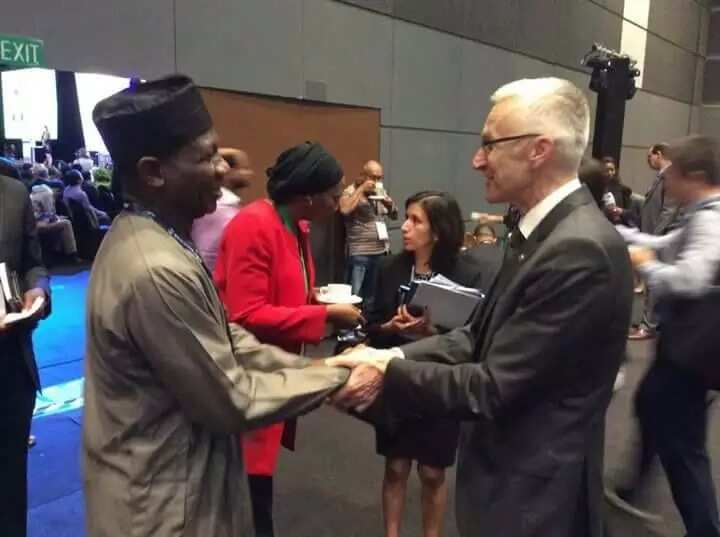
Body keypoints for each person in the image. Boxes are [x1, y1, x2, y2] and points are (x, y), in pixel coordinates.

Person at [330, 77, 634, 537]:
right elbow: (480, 335)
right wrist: (389, 354)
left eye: (489, 145)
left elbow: (493, 386)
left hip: (535, 501)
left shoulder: (578, 248)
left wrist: (385, 375)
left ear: (539, 150)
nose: (477, 160)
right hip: (514, 483)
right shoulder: (545, 233)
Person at [83, 74, 378, 537]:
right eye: (205, 158)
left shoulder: (156, 238)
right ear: (153, 172)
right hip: (163, 509)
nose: (223, 171)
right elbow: (231, 397)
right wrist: (339, 376)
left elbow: (224, 334)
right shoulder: (155, 268)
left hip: (179, 489)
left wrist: (329, 367)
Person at [214, 142, 363, 537]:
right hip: (249, 377)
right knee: (248, 494)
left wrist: (314, 298)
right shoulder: (253, 225)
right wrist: (326, 313)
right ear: (309, 195)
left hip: (273, 370)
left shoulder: (295, 225)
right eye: (335, 194)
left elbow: (282, 288)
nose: (340, 201)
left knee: (256, 489)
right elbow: (243, 314)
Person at [609, 135, 720, 537]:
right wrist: (623, 236)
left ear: (696, 175)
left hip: (692, 354)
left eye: (672, 172)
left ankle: (705, 529)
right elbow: (663, 245)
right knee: (651, 403)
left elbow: (688, 280)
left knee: (685, 448)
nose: (665, 179)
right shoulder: (700, 213)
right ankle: (631, 488)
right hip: (684, 351)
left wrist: (646, 267)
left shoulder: (710, 220)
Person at [365, 190, 489, 537]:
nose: (404, 226)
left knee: (433, 472)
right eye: (405, 217)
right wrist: (388, 326)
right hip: (398, 376)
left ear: (437, 231)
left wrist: (433, 332)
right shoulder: (391, 266)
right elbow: (370, 323)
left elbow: (474, 336)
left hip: (440, 379)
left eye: (415, 220)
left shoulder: (468, 273)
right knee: (396, 466)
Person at [0, 173, 51, 537]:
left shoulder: (13, 193)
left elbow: (33, 262)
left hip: (11, 364)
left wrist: (38, 290)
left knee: (10, 485)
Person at [630, 143, 677, 339]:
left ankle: (648, 326)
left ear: (659, 155)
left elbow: (668, 211)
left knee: (655, 282)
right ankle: (650, 323)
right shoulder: (661, 178)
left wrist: (654, 238)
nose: (648, 161)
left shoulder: (670, 176)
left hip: (661, 238)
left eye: (650, 157)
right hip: (658, 236)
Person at [340, 160, 398, 309]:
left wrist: (389, 204)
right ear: (363, 175)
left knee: (373, 295)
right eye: (373, 177)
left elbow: (394, 216)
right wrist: (361, 189)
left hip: (381, 250)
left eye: (380, 178)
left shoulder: (379, 191)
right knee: (355, 294)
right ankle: (349, 330)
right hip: (361, 251)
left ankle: (366, 327)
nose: (377, 181)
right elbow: (344, 210)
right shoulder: (351, 191)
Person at [191, 147, 253, 271]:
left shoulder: (226, 205)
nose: (249, 173)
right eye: (242, 169)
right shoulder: (220, 207)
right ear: (228, 171)